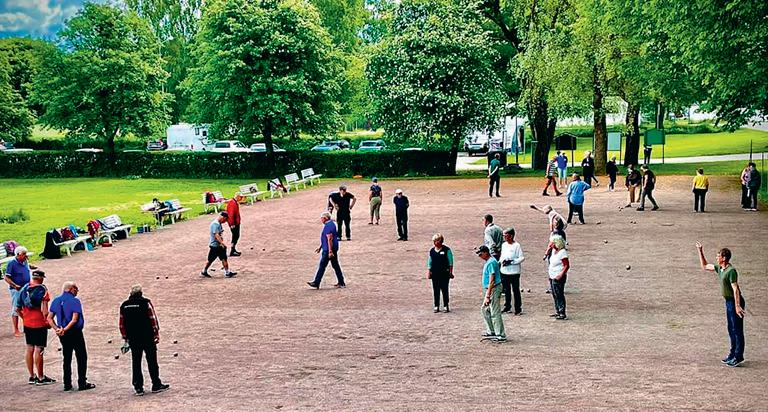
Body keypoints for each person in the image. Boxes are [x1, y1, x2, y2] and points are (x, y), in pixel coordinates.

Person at [695, 242, 746, 367]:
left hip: (735, 302)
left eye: (718, 256)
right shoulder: (720, 268)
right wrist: (700, 251)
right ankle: (732, 354)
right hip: (728, 302)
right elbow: (705, 266)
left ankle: (738, 356)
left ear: (724, 258)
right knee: (731, 328)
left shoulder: (731, 271)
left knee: (737, 329)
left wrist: (737, 306)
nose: (716, 257)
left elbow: (735, 289)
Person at [119, 285, 170, 395]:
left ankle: (138, 387)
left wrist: (125, 337)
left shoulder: (124, 305)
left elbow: (121, 324)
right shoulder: (145, 303)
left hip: (133, 338)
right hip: (147, 336)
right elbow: (153, 319)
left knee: (136, 362)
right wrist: (156, 333)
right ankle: (156, 384)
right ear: (141, 293)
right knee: (152, 361)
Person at [47, 281, 95, 391]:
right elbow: (74, 319)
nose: (77, 291)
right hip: (74, 332)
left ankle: (67, 384)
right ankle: (82, 382)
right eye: (76, 289)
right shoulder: (74, 301)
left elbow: (49, 318)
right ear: (71, 289)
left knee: (67, 357)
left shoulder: (56, 300)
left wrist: (57, 329)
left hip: (63, 334)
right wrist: (65, 329)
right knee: (81, 356)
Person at [17, 270, 56, 385]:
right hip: (39, 323)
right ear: (41, 278)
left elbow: (17, 308)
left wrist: (24, 318)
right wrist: (47, 321)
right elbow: (44, 310)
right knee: (39, 349)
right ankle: (41, 377)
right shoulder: (42, 289)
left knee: (30, 348)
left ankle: (32, 376)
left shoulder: (24, 288)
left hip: (27, 323)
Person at [307, 211, 345, 289]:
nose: (321, 220)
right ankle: (341, 282)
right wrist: (320, 247)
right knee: (335, 266)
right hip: (330, 248)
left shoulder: (328, 226)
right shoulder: (331, 224)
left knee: (322, 266)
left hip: (328, 250)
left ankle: (316, 282)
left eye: (322, 218)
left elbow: (329, 238)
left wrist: (330, 251)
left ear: (325, 218)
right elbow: (327, 238)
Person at [477, 245, 506, 342]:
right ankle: (492, 330)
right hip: (491, 289)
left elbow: (492, 280)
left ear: (486, 252)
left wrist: (488, 295)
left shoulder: (491, 263)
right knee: (485, 309)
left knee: (495, 311)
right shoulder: (490, 261)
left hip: (493, 289)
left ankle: (500, 335)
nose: (480, 256)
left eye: (481, 254)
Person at [201, 212, 237, 278]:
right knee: (210, 260)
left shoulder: (218, 224)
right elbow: (216, 235)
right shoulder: (215, 224)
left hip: (219, 245)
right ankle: (204, 271)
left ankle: (227, 272)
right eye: (225, 220)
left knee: (224, 258)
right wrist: (222, 243)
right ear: (223, 217)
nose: (225, 222)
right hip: (215, 246)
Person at [5, 246, 31, 337]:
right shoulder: (12, 263)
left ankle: (26, 326)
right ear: (18, 254)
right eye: (24, 254)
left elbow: (26, 269)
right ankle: (16, 330)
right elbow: (6, 277)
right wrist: (14, 285)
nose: (25, 256)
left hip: (26, 288)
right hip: (16, 289)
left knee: (26, 307)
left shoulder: (25, 261)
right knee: (16, 308)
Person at [499, 228, 525, 315]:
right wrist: (502, 261)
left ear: (511, 236)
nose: (504, 237)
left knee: (516, 290)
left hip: (514, 272)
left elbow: (521, 258)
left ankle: (518, 308)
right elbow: (502, 256)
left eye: (506, 236)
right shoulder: (504, 245)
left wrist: (512, 262)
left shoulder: (517, 246)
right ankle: (507, 306)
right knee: (506, 290)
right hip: (504, 271)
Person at [427, 234, 453, 313]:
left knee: (444, 289)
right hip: (435, 273)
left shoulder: (447, 250)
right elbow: (430, 262)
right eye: (435, 241)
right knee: (436, 290)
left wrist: (450, 272)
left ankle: (446, 305)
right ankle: (436, 305)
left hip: (444, 273)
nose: (436, 242)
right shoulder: (432, 251)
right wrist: (429, 271)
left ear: (441, 241)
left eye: (438, 241)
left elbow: (450, 262)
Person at [547, 236, 570, 320]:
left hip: (559, 277)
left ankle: (562, 312)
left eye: (552, 243)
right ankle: (557, 311)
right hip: (552, 275)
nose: (551, 244)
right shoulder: (554, 251)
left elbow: (566, 265)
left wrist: (561, 275)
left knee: (559, 294)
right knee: (554, 294)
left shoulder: (562, 252)